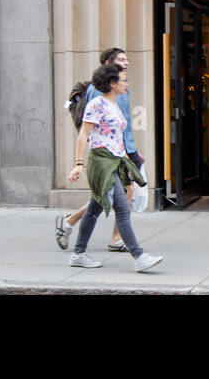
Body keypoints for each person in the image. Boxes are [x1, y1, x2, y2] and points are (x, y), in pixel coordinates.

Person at [66, 60, 163, 272]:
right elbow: (83, 135)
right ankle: (139, 256)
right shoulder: (96, 104)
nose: (127, 84)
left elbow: (117, 136)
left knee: (93, 210)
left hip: (114, 162)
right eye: (124, 81)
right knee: (122, 209)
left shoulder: (114, 104)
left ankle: (78, 253)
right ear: (112, 83)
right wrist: (79, 164)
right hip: (102, 162)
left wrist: (128, 159)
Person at [55, 47, 142, 251]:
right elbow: (89, 129)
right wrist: (79, 163)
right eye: (122, 59)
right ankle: (121, 244)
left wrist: (132, 150)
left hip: (122, 151)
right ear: (108, 64)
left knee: (110, 196)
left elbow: (124, 124)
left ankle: (73, 228)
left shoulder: (123, 88)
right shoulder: (99, 92)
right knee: (115, 196)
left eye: (127, 59)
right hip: (107, 156)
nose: (127, 62)